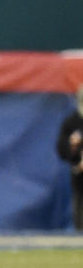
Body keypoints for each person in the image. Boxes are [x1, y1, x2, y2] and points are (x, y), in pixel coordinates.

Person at [56, 85, 83, 231]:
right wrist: (72, 148)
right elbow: (61, 149)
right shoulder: (72, 122)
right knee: (78, 204)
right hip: (78, 173)